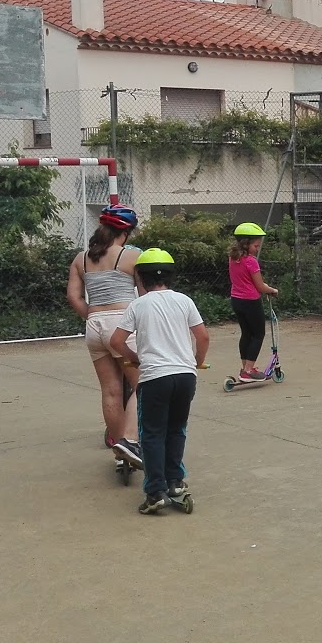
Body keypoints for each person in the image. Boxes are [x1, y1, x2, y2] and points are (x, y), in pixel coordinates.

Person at [110, 248, 209, 515]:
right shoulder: (184, 301)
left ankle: (155, 491)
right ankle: (175, 482)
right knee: (177, 429)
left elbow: (116, 341)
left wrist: (135, 358)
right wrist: (197, 360)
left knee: (152, 434)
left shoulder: (138, 305)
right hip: (185, 376)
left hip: (155, 378)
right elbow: (203, 336)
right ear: (170, 276)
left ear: (140, 278)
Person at [66, 204, 144, 474]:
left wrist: (92, 315)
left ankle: (120, 451)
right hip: (123, 324)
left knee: (110, 391)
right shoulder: (132, 256)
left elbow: (73, 297)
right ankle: (130, 441)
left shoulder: (81, 259)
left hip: (94, 325)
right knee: (144, 385)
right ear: (126, 232)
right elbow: (145, 297)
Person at [229, 222, 279, 381]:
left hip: (236, 300)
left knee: (246, 333)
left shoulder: (233, 258)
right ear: (246, 244)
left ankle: (245, 368)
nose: (258, 249)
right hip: (250, 301)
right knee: (258, 334)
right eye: (256, 246)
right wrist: (272, 290)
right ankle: (249, 371)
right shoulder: (251, 261)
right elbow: (260, 286)